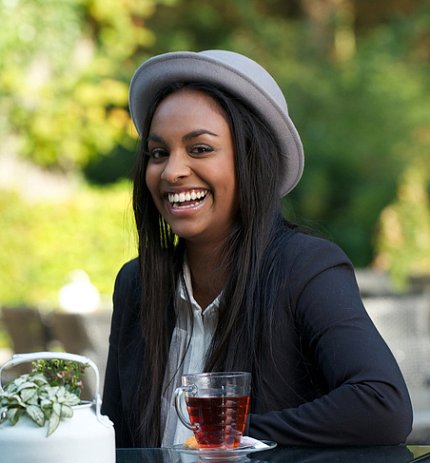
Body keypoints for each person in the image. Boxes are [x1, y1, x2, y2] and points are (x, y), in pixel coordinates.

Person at [101, 50, 413, 448]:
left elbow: (383, 404)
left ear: (252, 159)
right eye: (158, 153)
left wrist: (232, 439)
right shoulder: (137, 283)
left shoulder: (305, 269)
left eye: (199, 149)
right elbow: (114, 437)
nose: (172, 171)